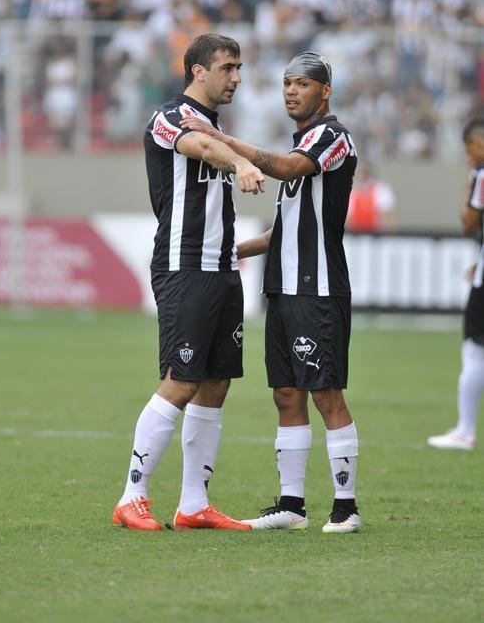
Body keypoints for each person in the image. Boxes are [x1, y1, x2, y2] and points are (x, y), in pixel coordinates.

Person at [181, 51, 361, 533]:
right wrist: (231, 249)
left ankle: (346, 506)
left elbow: (283, 167)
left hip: (318, 288)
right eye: (286, 83)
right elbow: (284, 231)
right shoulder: (302, 139)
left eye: (302, 84)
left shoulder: (332, 137)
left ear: (325, 92)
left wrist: (222, 140)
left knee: (325, 393)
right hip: (282, 288)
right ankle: (292, 504)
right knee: (286, 393)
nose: (291, 91)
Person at [112, 33, 264, 531]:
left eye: (239, 68)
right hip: (184, 265)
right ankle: (132, 495)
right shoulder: (171, 117)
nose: (236, 78)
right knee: (182, 381)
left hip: (222, 269)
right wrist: (239, 160)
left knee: (216, 382)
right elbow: (197, 145)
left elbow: (211, 141)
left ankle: (193, 504)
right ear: (198, 70)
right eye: (228, 68)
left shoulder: (216, 125)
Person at [428, 118, 484, 451]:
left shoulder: (480, 174)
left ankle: (464, 431)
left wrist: (467, 187)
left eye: (471, 148)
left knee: (474, 348)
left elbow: (468, 222)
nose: (469, 157)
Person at [346, 162, 396, 232]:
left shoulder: (381, 189)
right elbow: (348, 218)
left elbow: (389, 215)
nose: (363, 175)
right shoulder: (352, 192)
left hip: (376, 234)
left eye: (365, 173)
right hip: (356, 234)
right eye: (361, 173)